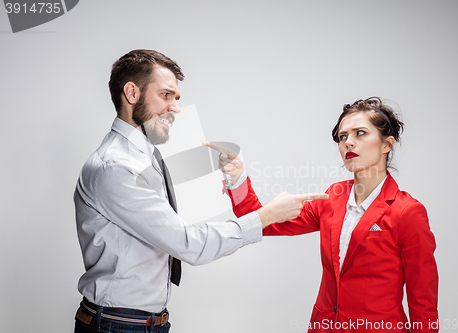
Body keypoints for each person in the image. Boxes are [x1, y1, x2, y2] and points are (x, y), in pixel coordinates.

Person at [73, 49, 329, 333]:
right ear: (132, 93)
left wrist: (236, 178)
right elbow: (188, 243)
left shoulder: (144, 157)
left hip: (142, 321)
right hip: (119, 325)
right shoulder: (117, 167)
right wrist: (266, 216)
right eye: (166, 95)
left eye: (177, 98)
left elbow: (183, 220)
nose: (176, 108)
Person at [207, 97, 439, 332]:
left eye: (360, 133)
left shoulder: (407, 212)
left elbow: (423, 301)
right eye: (342, 137)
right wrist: (237, 178)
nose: (349, 142)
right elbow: (264, 221)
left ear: (386, 144)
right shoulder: (333, 196)